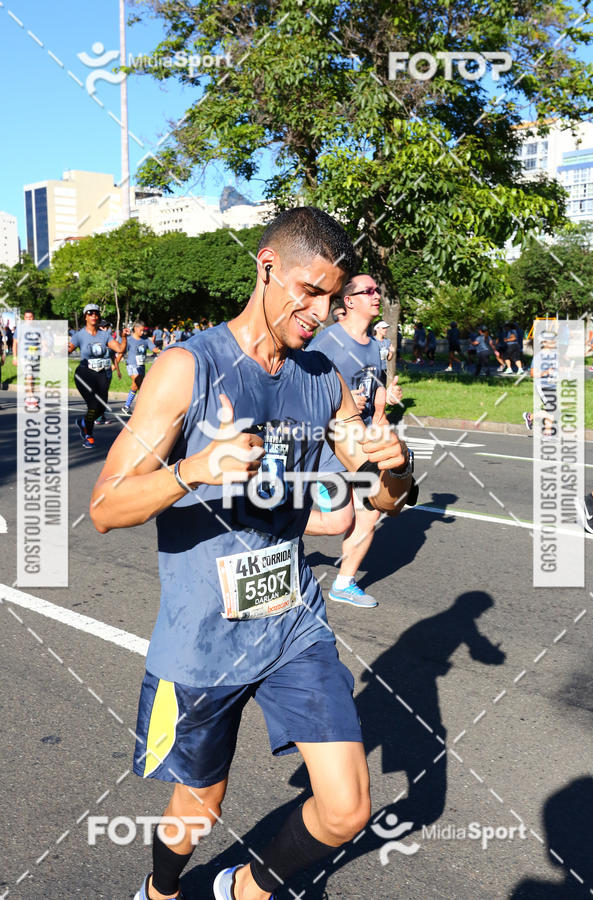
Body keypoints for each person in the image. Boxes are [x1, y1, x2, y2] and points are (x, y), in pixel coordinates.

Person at [90, 207, 413, 900]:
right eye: (308, 290)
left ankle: (248, 889)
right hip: (202, 641)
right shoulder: (187, 368)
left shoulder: (322, 376)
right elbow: (105, 508)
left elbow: (380, 501)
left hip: (292, 622)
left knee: (348, 807)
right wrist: (194, 470)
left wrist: (394, 464)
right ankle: (161, 890)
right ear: (265, 265)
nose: (320, 311)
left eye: (332, 296)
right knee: (195, 811)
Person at [304, 274, 408, 609]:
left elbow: (374, 388)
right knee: (338, 521)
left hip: (363, 444)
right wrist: (341, 402)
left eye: (378, 290)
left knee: (369, 515)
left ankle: (344, 584)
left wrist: (383, 405)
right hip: (330, 448)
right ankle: (274, 523)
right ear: (348, 301)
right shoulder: (326, 343)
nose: (376, 296)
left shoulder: (374, 347)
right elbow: (304, 392)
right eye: (369, 291)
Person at [68, 304, 127, 448]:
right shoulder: (79, 335)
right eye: (90, 313)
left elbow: (119, 349)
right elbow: (68, 349)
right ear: (85, 316)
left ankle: (83, 423)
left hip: (101, 375)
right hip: (84, 374)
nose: (93, 315)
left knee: (101, 408)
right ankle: (88, 435)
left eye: (96, 313)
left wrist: (124, 337)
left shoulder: (104, 335)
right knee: (93, 406)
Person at [120, 320, 160, 416]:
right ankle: (144, 406)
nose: (142, 332)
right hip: (131, 365)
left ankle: (126, 406)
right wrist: (116, 364)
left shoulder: (145, 340)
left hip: (141, 366)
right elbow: (122, 350)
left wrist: (162, 351)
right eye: (141, 330)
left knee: (135, 386)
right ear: (135, 329)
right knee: (139, 383)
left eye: (143, 330)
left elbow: (153, 348)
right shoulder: (129, 339)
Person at [13, 310, 38, 411]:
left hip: (34, 357)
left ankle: (29, 396)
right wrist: (14, 357)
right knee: (29, 376)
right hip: (24, 357)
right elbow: (15, 343)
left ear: (33, 318)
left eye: (31, 317)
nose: (29, 319)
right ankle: (30, 397)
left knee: (32, 378)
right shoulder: (20, 328)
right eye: (27, 317)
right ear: (24, 318)